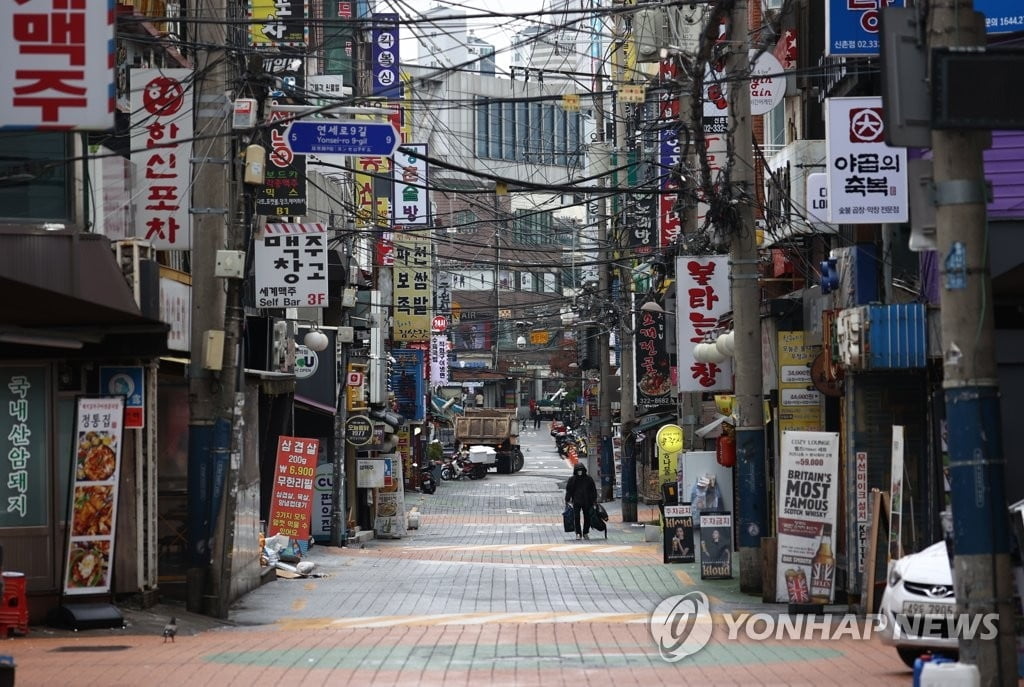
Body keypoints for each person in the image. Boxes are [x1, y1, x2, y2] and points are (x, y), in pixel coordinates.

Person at [564, 463, 598, 540]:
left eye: (581, 470)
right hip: (577, 501)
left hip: (587, 501)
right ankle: (578, 533)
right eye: (578, 470)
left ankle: (585, 532)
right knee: (577, 517)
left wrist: (594, 500)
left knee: (587, 517)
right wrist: (567, 500)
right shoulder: (572, 479)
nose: (580, 472)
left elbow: (593, 490)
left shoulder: (588, 479)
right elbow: (569, 491)